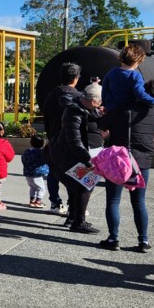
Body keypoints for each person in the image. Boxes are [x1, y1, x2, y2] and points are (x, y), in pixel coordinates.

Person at [99, 80, 154, 252]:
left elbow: (102, 124)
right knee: (139, 202)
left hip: (120, 160)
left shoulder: (124, 108)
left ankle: (114, 239)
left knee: (113, 200)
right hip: (142, 161)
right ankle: (143, 241)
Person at [48, 82, 103, 234]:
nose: (100, 105)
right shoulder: (74, 112)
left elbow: (90, 116)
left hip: (74, 154)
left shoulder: (81, 105)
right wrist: (88, 161)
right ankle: (79, 222)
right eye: (99, 102)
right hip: (71, 156)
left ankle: (73, 218)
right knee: (86, 186)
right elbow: (75, 141)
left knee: (76, 188)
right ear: (93, 101)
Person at [42, 62, 81, 216]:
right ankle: (75, 207)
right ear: (76, 78)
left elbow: (46, 119)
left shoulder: (51, 96)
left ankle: (55, 203)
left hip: (53, 140)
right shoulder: (78, 97)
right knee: (76, 175)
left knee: (54, 172)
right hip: (73, 142)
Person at [102, 42, 154, 115]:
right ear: (137, 60)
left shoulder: (111, 72)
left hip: (111, 110)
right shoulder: (135, 75)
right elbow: (139, 93)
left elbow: (104, 91)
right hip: (126, 112)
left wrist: (105, 105)